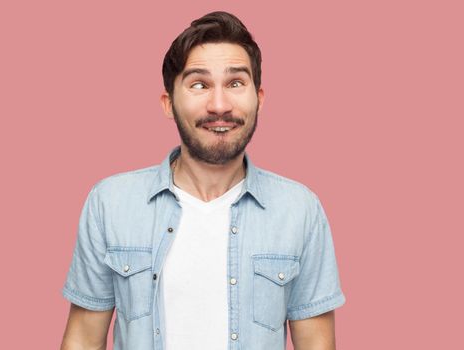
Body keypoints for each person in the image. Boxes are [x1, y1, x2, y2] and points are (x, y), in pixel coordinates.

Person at [60, 11, 345, 350]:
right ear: (169, 103)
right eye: (199, 84)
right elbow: (83, 338)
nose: (220, 105)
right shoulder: (110, 203)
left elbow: (317, 344)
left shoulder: (299, 210)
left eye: (236, 83)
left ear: (259, 98)